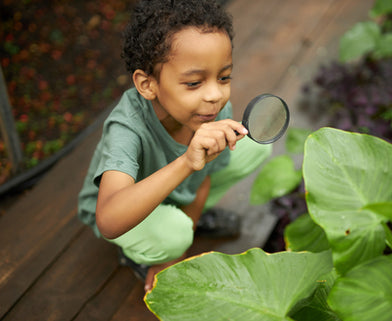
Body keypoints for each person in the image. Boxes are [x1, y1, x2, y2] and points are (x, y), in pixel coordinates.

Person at [77, 0, 271, 292]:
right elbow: (108, 219)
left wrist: (186, 239)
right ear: (147, 84)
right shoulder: (127, 127)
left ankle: (183, 221)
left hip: (175, 191)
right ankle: (141, 252)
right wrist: (186, 163)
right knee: (172, 236)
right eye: (194, 83)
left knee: (255, 147)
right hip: (122, 209)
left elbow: (203, 179)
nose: (215, 95)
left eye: (224, 77)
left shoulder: (216, 111)